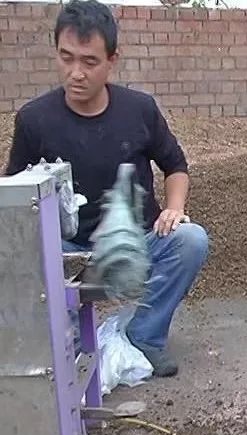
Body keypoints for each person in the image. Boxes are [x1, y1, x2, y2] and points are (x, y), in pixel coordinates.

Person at [4, 0, 208, 377]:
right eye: (66, 58)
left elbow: (175, 166)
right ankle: (70, 345)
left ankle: (145, 336)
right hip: (69, 251)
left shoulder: (140, 110)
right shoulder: (35, 121)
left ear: (112, 60)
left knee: (191, 241)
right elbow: (14, 194)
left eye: (89, 61)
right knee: (24, 255)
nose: (75, 73)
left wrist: (175, 208)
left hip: (134, 244)